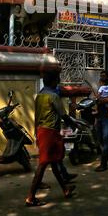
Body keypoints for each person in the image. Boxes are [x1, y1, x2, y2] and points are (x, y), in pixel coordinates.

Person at [25, 70, 77, 206]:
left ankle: (65, 190)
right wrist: (73, 124)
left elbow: (36, 116)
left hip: (42, 130)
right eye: (58, 79)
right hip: (50, 132)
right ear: (54, 81)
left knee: (54, 162)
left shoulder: (40, 95)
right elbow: (62, 114)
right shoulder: (53, 96)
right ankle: (30, 197)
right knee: (43, 165)